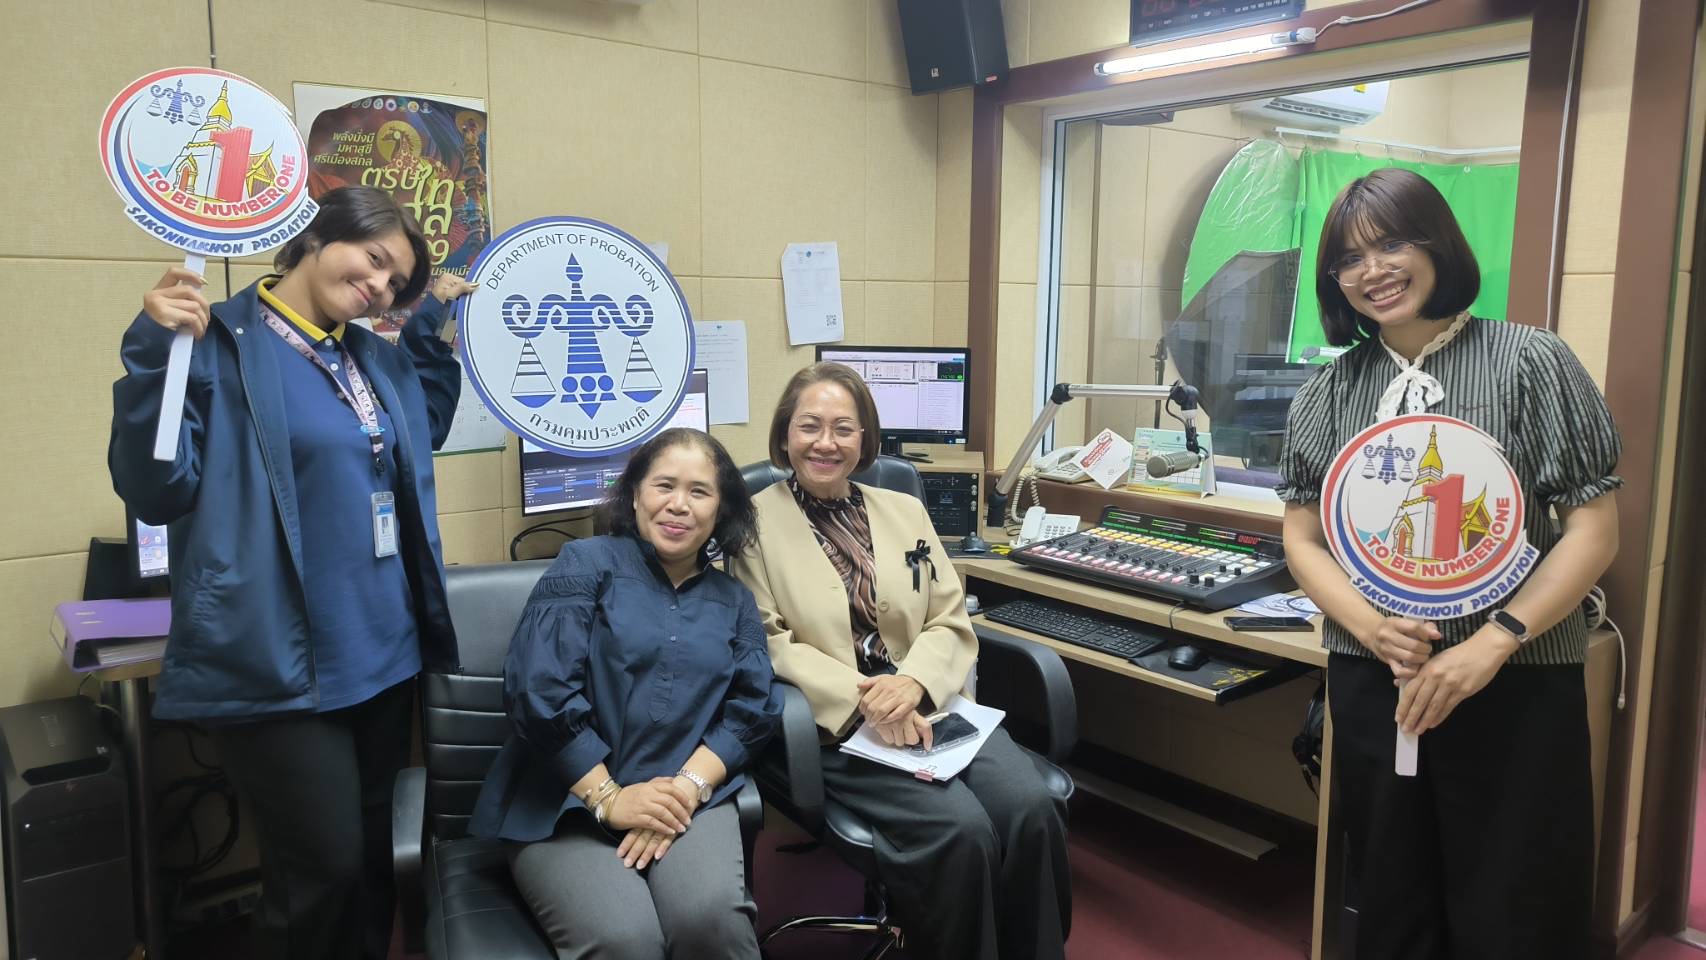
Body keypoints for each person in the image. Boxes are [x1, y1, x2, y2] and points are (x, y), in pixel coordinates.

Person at [108, 185, 477, 960]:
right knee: (322, 874)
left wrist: (432, 318)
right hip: (278, 660)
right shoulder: (214, 342)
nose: (379, 286)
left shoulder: (369, 357)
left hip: (384, 652)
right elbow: (155, 487)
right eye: (373, 260)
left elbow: (426, 424)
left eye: (394, 282)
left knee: (372, 867)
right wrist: (153, 352)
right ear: (317, 237)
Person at [1276, 168, 1621, 959]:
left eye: (1392, 243)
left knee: (1516, 898)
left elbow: (1594, 530)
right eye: (1349, 258)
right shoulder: (1328, 391)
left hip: (1517, 675)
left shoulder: (1530, 361)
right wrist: (1373, 629)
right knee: (1391, 890)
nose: (1373, 270)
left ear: (1438, 245)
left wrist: (1493, 641)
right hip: (1378, 677)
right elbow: (1303, 538)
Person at [728, 363, 1071, 960]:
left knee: (1030, 810)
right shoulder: (751, 526)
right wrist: (869, 698)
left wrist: (912, 682)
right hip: (839, 721)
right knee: (962, 832)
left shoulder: (903, 510)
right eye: (810, 426)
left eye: (843, 428)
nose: (826, 443)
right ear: (785, 434)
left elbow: (949, 617)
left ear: (865, 438)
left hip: (929, 701)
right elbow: (767, 641)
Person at [469, 427, 783, 960]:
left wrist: (686, 789)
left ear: (722, 509)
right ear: (635, 494)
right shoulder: (585, 564)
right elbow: (538, 690)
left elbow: (752, 710)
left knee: (712, 923)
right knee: (626, 941)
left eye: (699, 491)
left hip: (685, 799)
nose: (678, 505)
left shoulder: (734, 600)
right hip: (567, 798)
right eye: (664, 485)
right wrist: (611, 798)